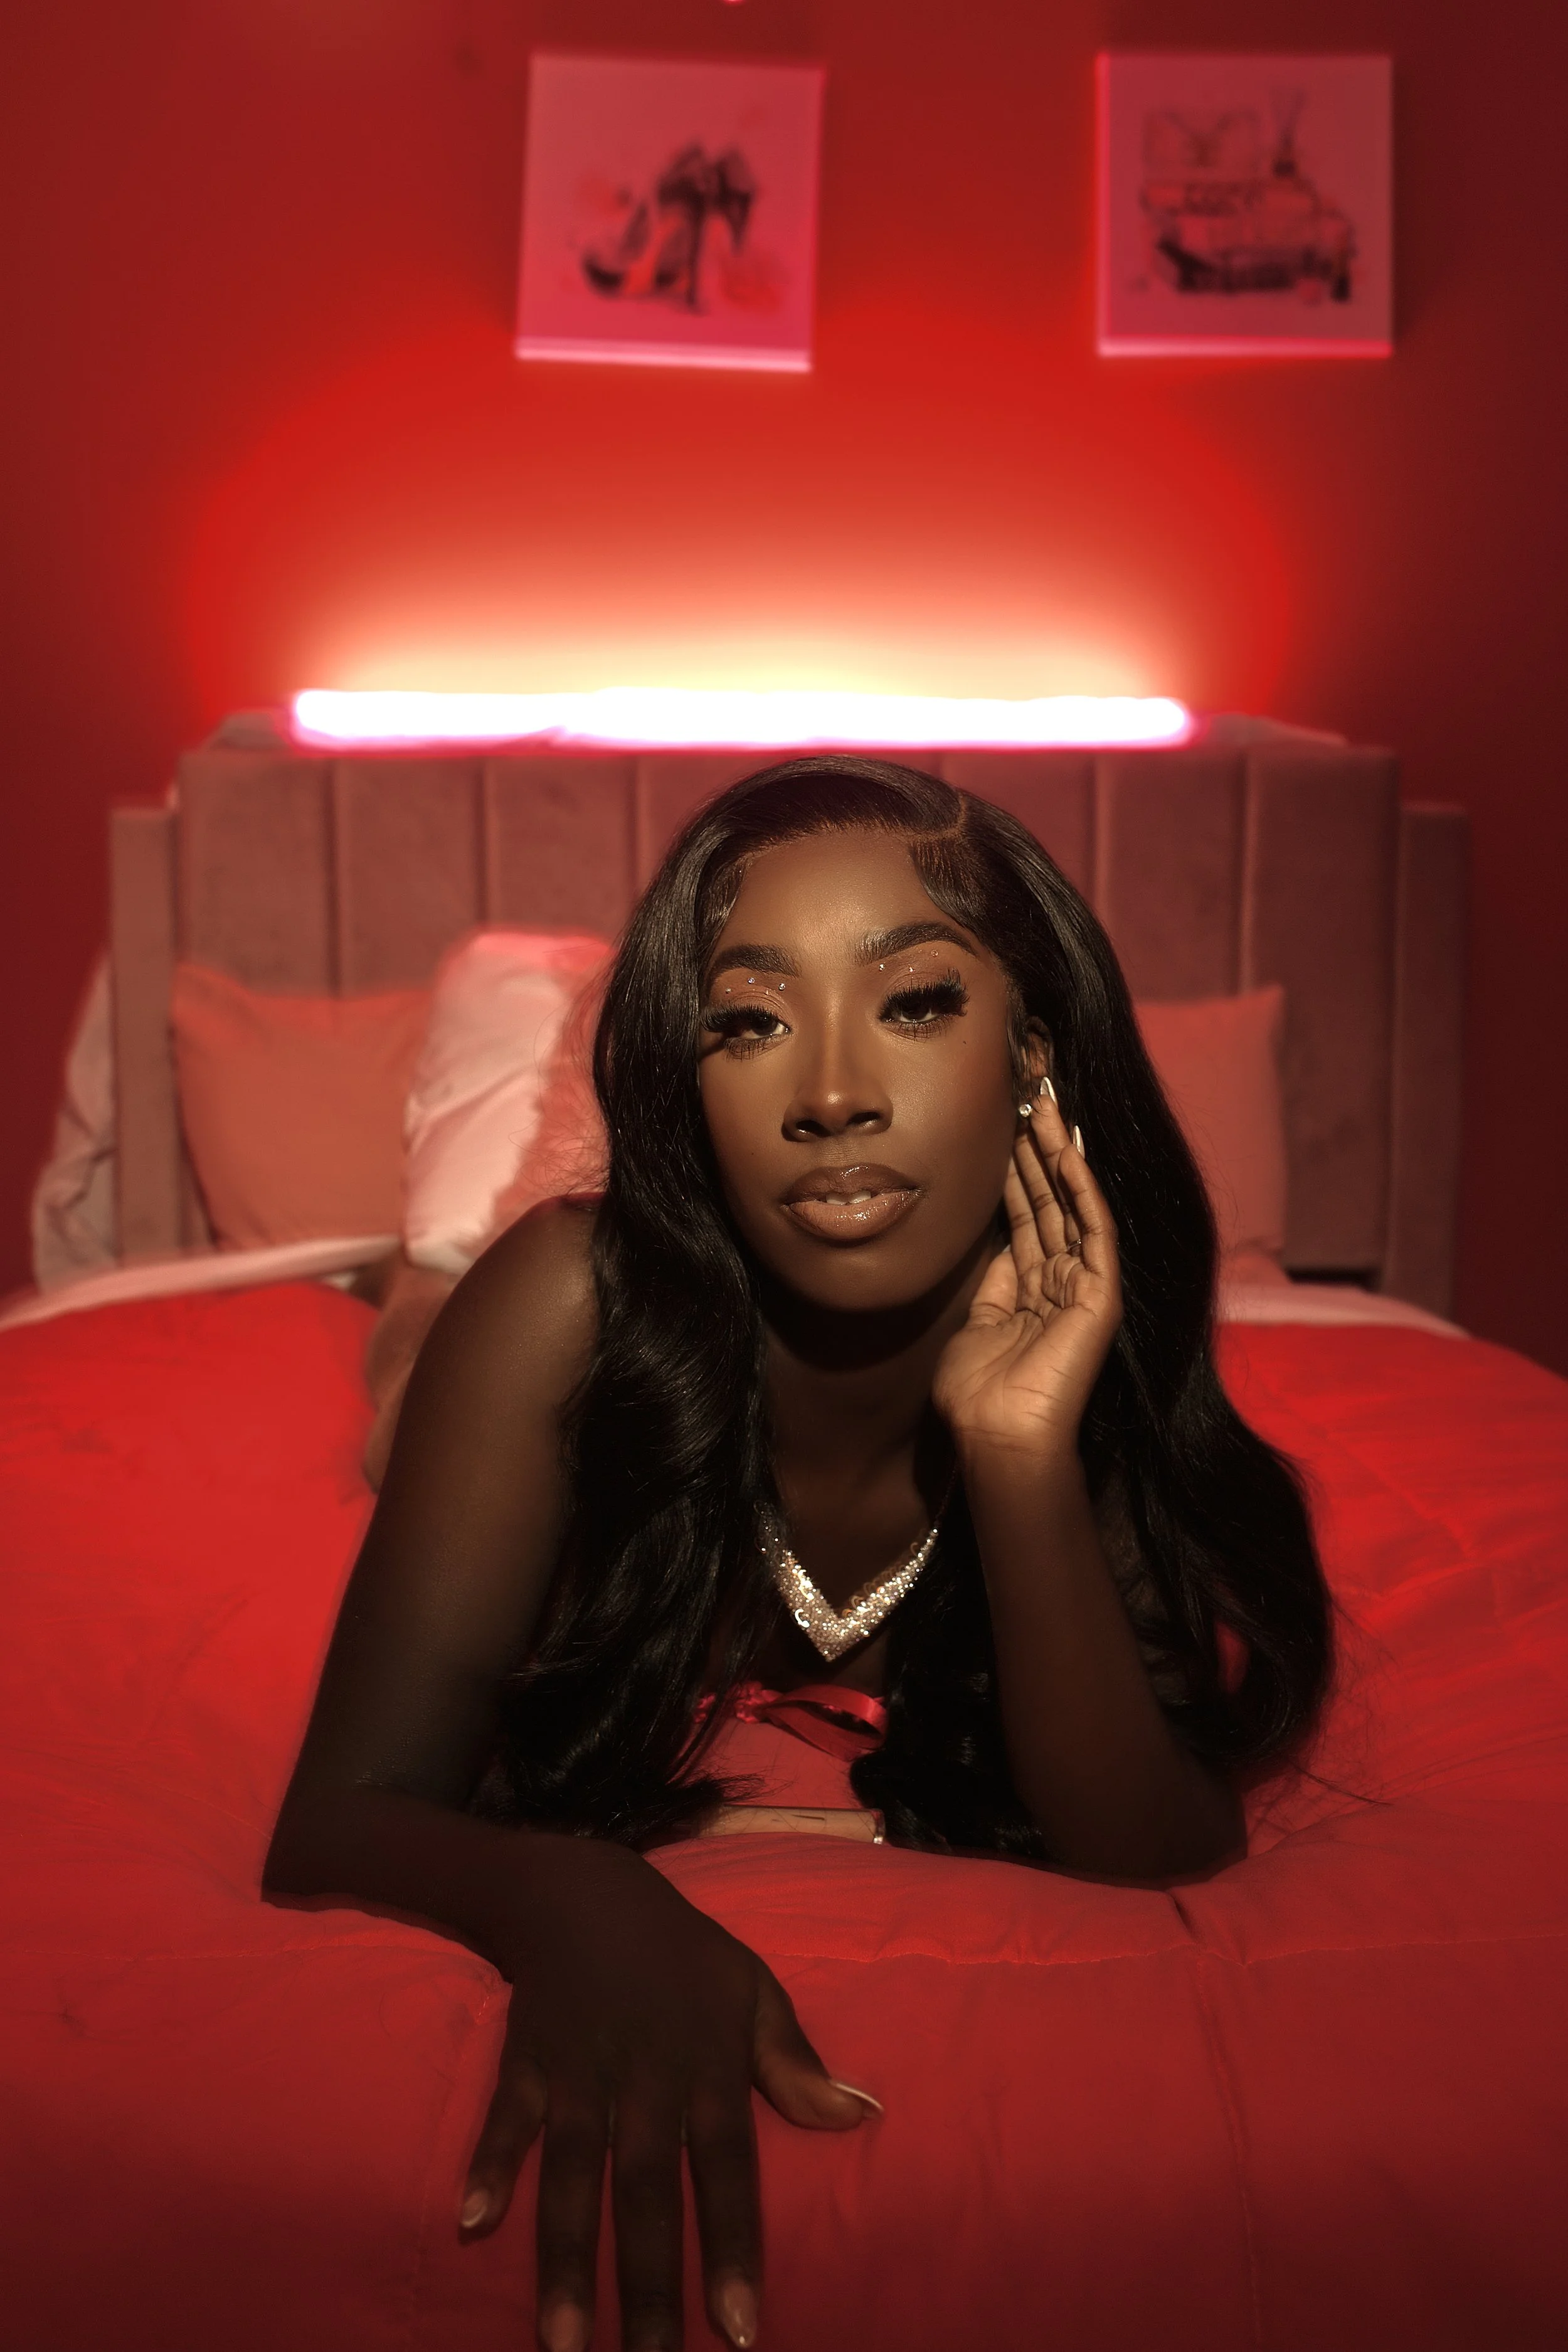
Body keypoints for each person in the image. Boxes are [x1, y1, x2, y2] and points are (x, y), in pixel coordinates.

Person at [264, 757, 1332, 2352]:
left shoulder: (1087, 1346)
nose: (828, 1090)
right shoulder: (567, 1308)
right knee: (416, 1381)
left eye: (911, 1003)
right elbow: (332, 1822)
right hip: (540, 1344)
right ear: (687, 1080)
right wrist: (580, 1904)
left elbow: (1153, 1848)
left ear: (1031, 1058)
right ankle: (399, 1284)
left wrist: (1019, 1455)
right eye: (747, 1020)